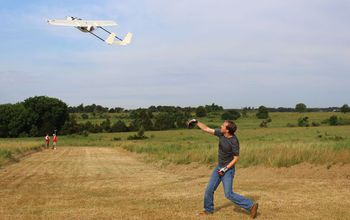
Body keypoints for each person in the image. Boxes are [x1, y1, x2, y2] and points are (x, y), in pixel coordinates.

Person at [188, 119, 259, 218]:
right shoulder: (221, 134)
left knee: (228, 194)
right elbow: (207, 129)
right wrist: (197, 122)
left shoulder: (234, 141)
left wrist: (225, 169)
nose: (221, 126)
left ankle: (251, 206)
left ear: (227, 130)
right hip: (219, 168)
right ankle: (208, 210)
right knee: (209, 189)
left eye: (223, 126)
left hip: (228, 170)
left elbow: (236, 158)